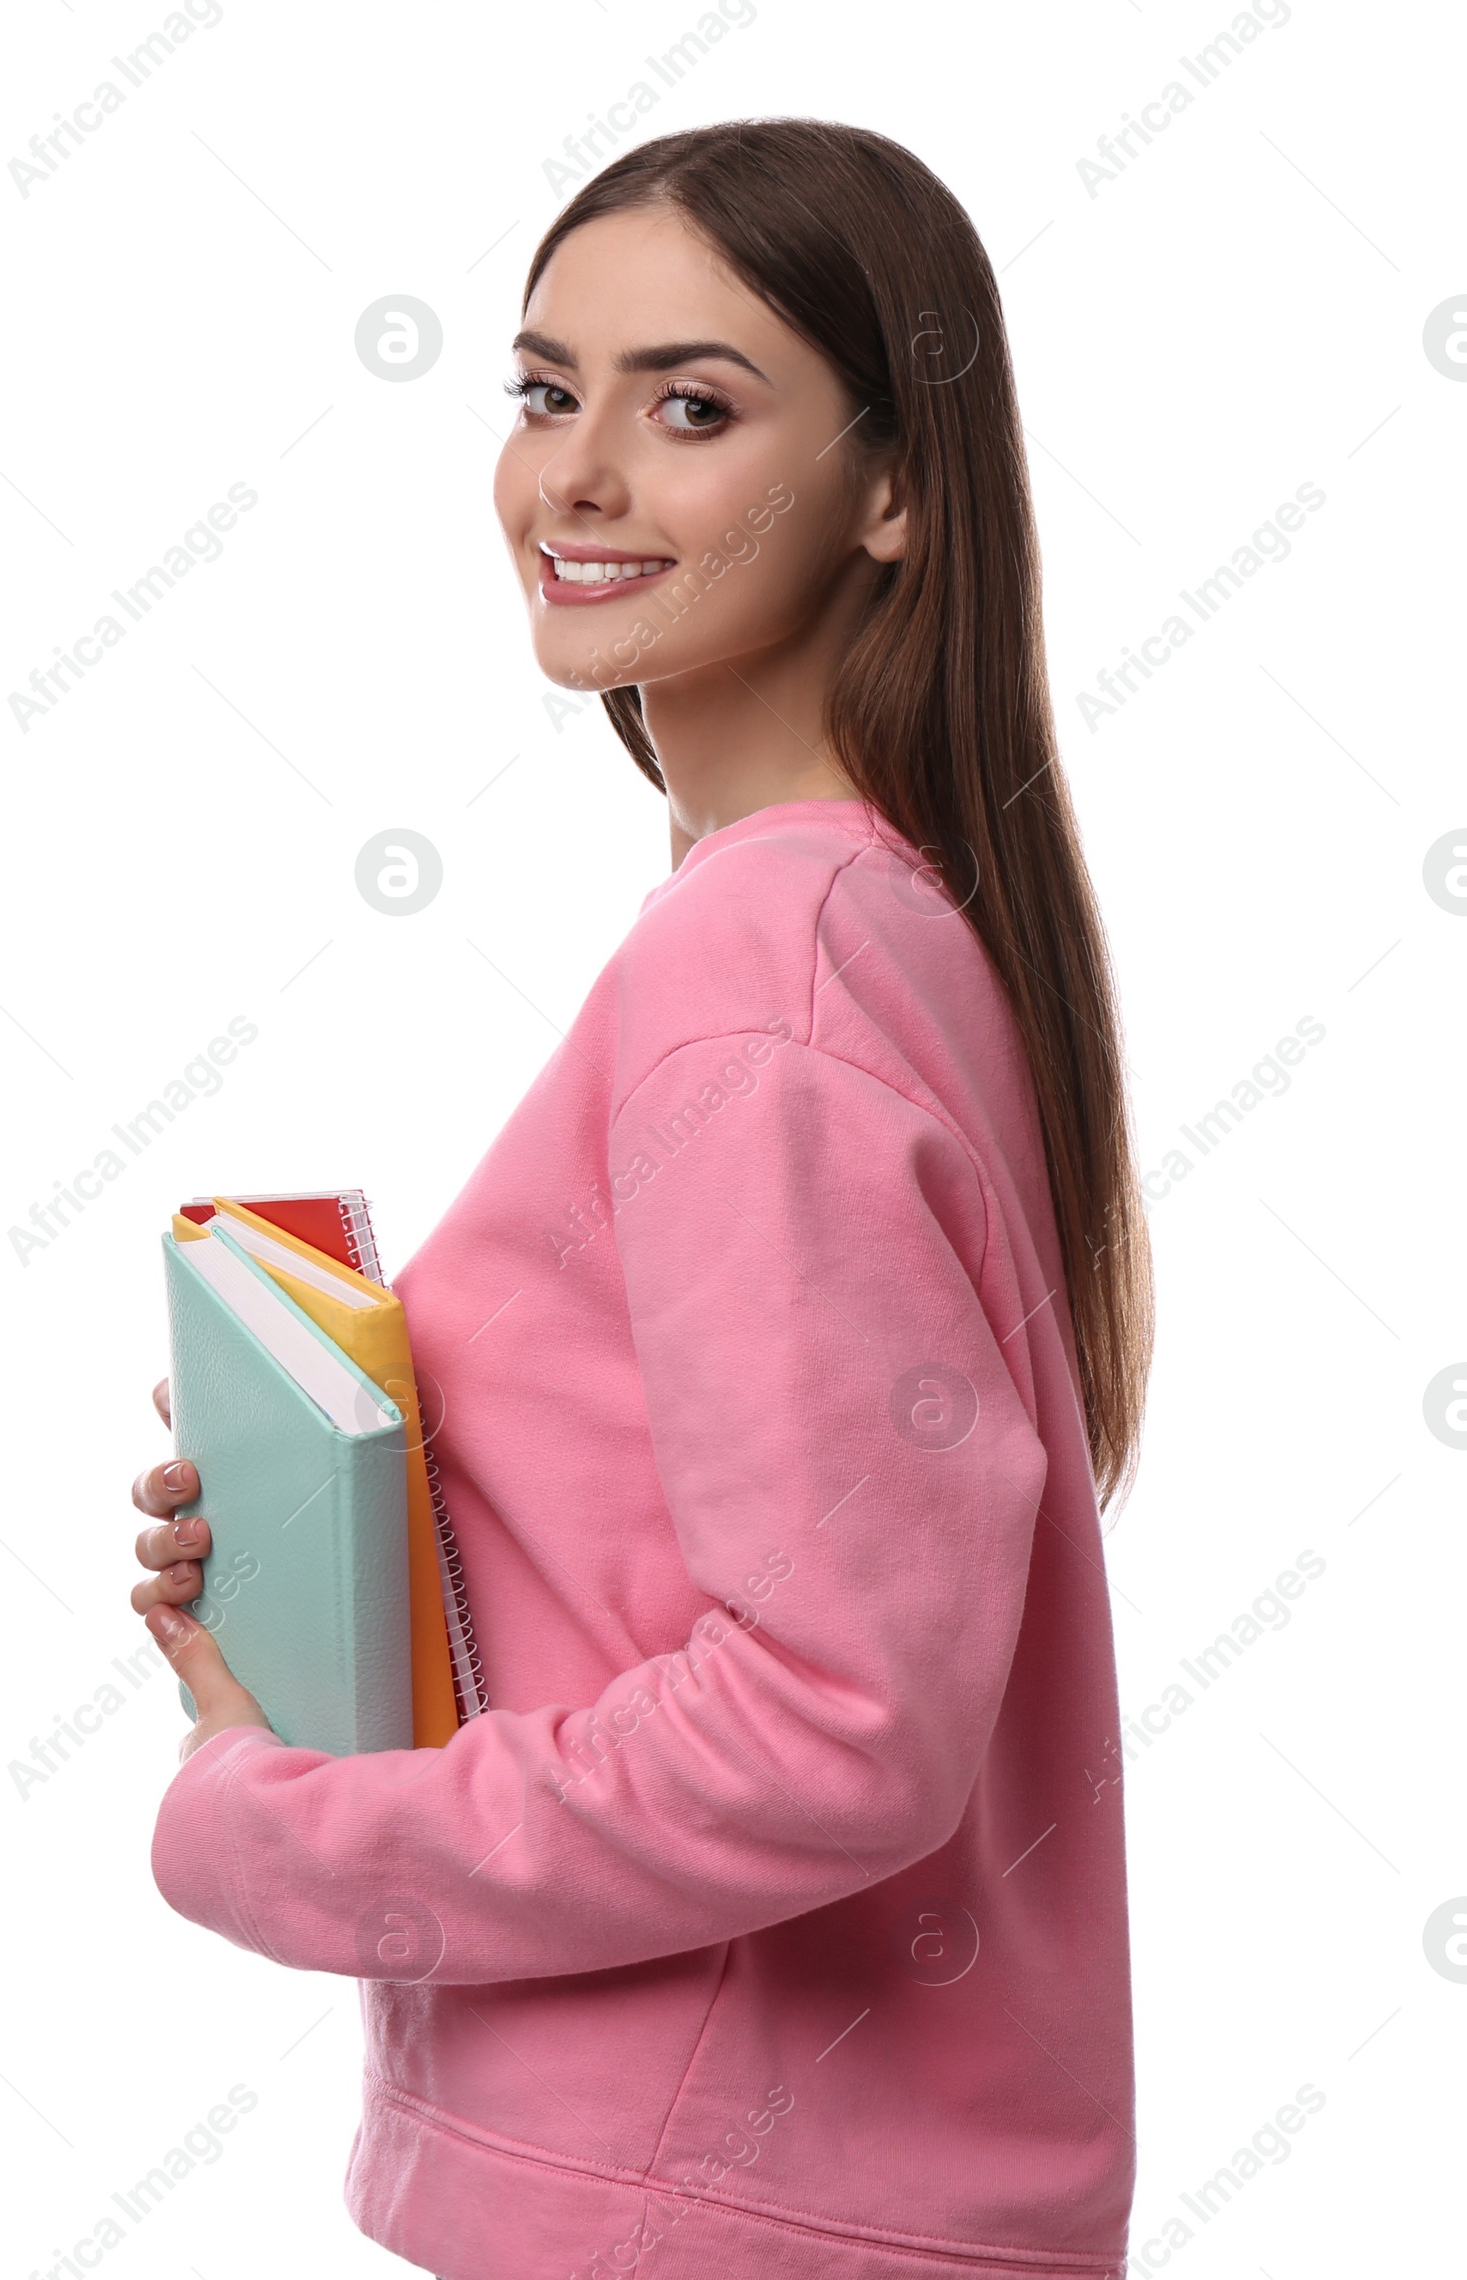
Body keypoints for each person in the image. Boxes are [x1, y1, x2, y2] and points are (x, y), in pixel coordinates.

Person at [132, 119, 1154, 2280]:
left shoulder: (753, 971)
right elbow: (756, 1591)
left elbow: (828, 1728)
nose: (573, 473)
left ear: (893, 490)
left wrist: (287, 1831)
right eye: (540, 390)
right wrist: (364, 1554)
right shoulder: (868, 925)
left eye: (690, 405)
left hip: (714, 2211)